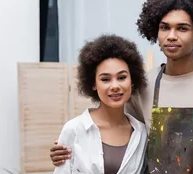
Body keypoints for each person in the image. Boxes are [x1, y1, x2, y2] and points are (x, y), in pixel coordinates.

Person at [50, 0, 193, 174]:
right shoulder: (142, 86)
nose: (171, 36)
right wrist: (70, 150)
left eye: (182, 28)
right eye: (165, 28)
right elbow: (121, 137)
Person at [52, 34, 148, 174]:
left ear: (132, 81)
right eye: (105, 79)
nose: (115, 86)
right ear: (93, 84)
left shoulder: (142, 134)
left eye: (122, 77)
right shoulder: (73, 130)